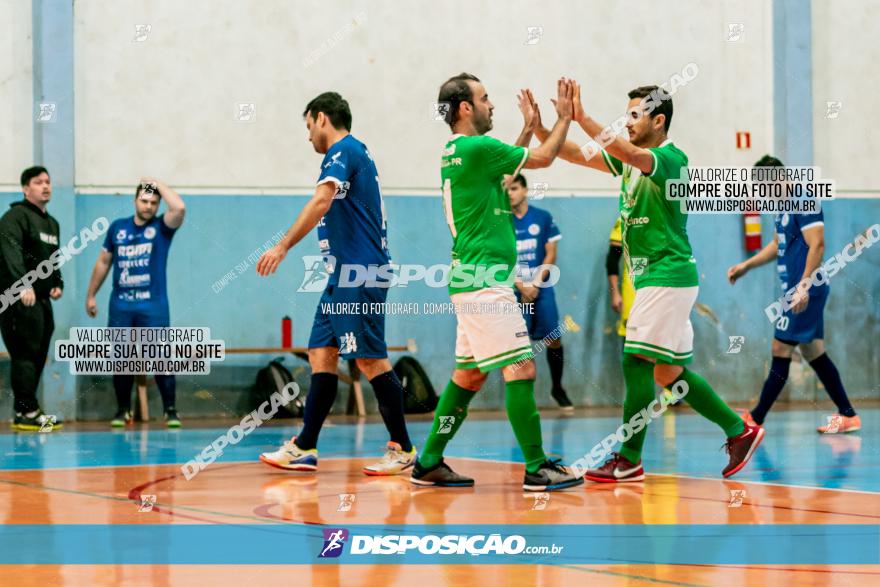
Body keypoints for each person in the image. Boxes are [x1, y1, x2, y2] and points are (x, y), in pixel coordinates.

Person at [529, 83, 764, 481]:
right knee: (666, 374)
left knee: (634, 359)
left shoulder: (669, 159)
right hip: (660, 278)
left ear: (659, 120)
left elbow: (629, 152)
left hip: (665, 275)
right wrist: (546, 128)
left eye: (634, 115)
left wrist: (582, 116)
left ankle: (629, 458)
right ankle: (739, 430)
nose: (628, 122)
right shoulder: (630, 164)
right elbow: (574, 154)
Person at [410, 74, 582, 491]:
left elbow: (510, 163)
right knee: (521, 367)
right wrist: (565, 118)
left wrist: (525, 128)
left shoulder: (458, 150)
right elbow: (540, 159)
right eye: (485, 99)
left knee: (468, 377)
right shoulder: (477, 147)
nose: (491, 105)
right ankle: (537, 469)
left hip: (471, 278)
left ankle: (429, 461)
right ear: (465, 108)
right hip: (484, 281)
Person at [258, 92, 416, 476]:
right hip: (340, 275)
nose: (308, 135)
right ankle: (305, 446)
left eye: (308, 125)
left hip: (361, 272)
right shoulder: (351, 153)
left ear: (321, 117)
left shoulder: (343, 150)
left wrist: (282, 246)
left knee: (369, 358)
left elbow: (321, 200)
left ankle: (403, 448)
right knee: (321, 353)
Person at [727, 155, 860, 433]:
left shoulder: (804, 199)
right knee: (814, 352)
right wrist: (746, 266)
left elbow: (818, 245)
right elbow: (778, 244)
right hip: (797, 290)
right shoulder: (782, 207)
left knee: (780, 348)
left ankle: (757, 417)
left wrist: (803, 286)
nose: (762, 193)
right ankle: (848, 415)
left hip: (805, 290)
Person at [86, 179, 186, 427]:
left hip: (153, 306)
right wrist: (91, 295)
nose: (149, 206)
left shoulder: (163, 228)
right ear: (134, 201)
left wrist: (156, 183)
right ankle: (122, 411)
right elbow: (103, 262)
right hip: (121, 305)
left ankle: (170, 411)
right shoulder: (117, 228)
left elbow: (180, 208)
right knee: (122, 359)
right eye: (144, 200)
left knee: (160, 356)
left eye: (154, 202)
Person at [0, 166, 64, 430]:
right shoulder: (14, 217)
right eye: (39, 182)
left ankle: (25, 409)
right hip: (18, 299)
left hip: (41, 300)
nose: (45, 186)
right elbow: (8, 252)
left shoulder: (51, 223)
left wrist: (57, 282)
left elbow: (53, 258)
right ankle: (28, 412)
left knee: (38, 354)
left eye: (48, 182)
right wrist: (22, 284)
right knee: (24, 354)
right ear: (26, 189)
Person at [506, 173, 573, 410]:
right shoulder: (502, 221)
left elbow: (550, 253)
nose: (510, 193)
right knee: (521, 343)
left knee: (553, 337)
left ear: (524, 190)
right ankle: (526, 397)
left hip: (541, 287)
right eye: (507, 189)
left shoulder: (542, 218)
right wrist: (521, 286)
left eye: (514, 188)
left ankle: (558, 387)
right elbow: (501, 260)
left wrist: (535, 284)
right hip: (514, 290)